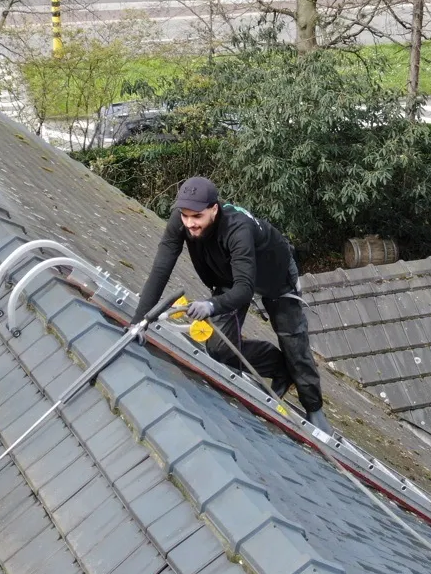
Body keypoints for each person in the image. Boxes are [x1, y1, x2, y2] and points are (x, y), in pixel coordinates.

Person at [132, 176, 332, 432]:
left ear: (214, 208)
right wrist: (139, 321)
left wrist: (212, 306)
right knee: (218, 349)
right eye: (185, 216)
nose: (190, 223)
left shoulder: (237, 229)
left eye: (197, 217)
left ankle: (314, 407)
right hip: (230, 275)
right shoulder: (182, 221)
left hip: (274, 274)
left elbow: (244, 289)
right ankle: (282, 369)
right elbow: (161, 269)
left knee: (292, 337)